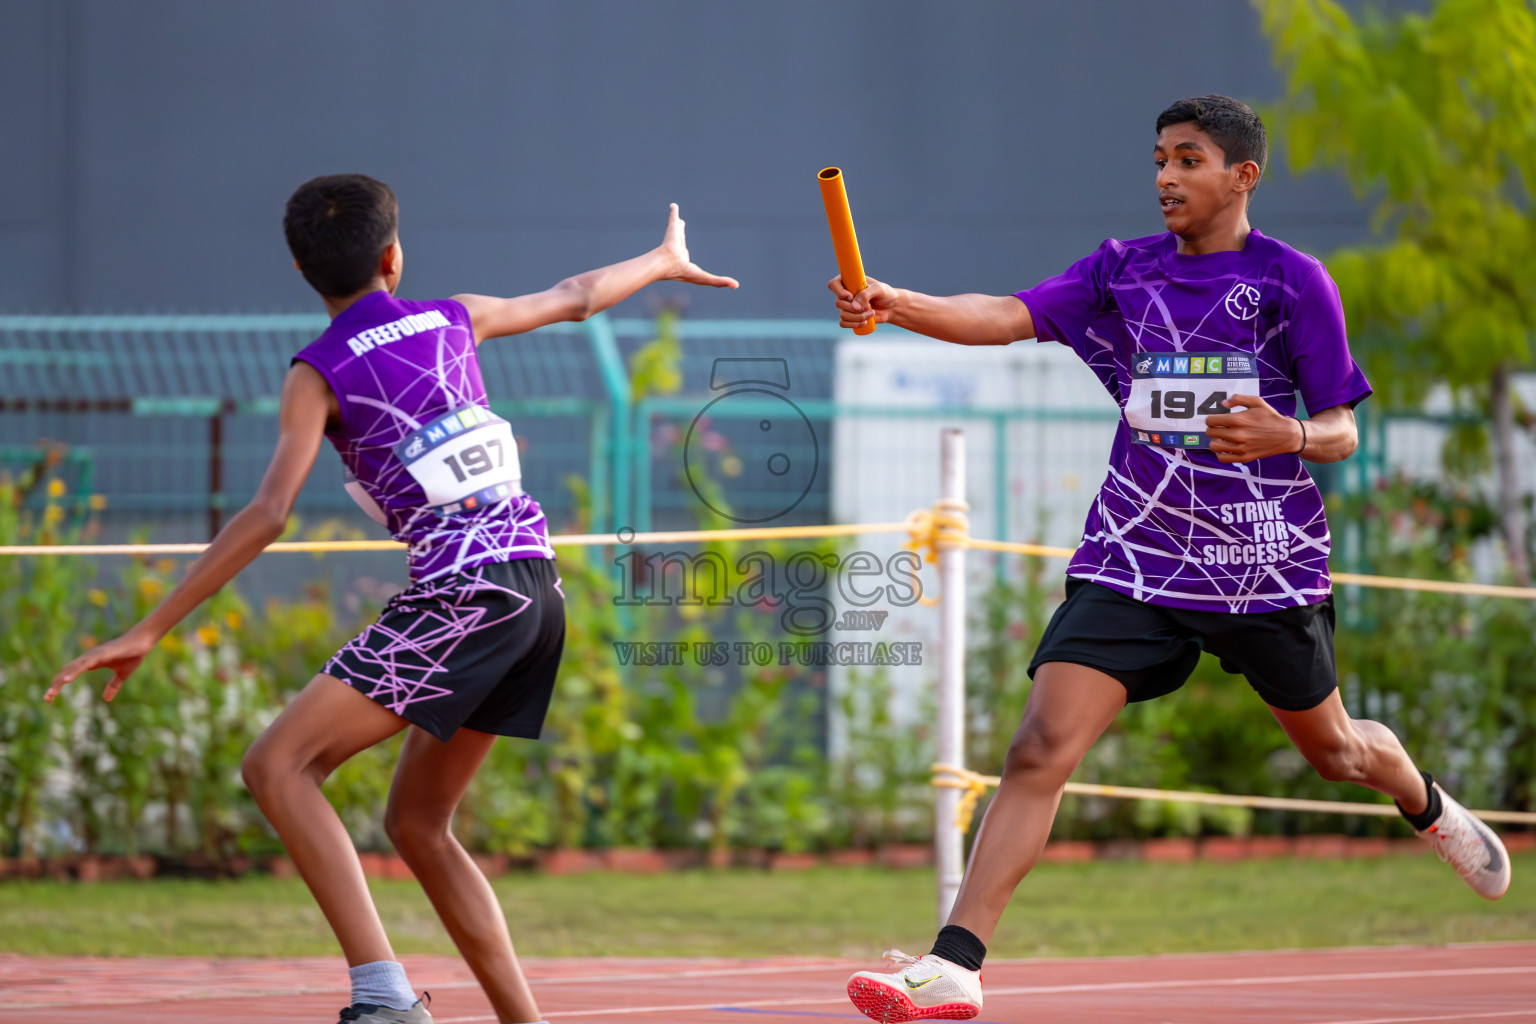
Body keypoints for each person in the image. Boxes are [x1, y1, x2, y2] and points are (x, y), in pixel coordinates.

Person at [828, 95, 1511, 1023]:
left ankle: (1423, 800)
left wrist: (1291, 432)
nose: (1163, 177)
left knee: (1338, 753)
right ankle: (958, 965)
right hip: (1136, 556)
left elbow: (1344, 430)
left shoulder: (1293, 282)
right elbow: (1007, 312)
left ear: (1243, 176)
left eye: (1188, 160)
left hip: (1263, 566)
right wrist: (897, 303)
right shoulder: (1121, 274)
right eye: (1158, 159)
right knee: (1039, 747)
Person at [46, 173, 738, 1024]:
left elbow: (267, 514)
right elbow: (576, 295)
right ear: (392, 256)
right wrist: (662, 259)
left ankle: (384, 995)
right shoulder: (455, 317)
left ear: (302, 270)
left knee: (278, 766)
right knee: (417, 826)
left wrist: (150, 625)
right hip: (535, 591)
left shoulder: (318, 371)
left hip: (465, 596)